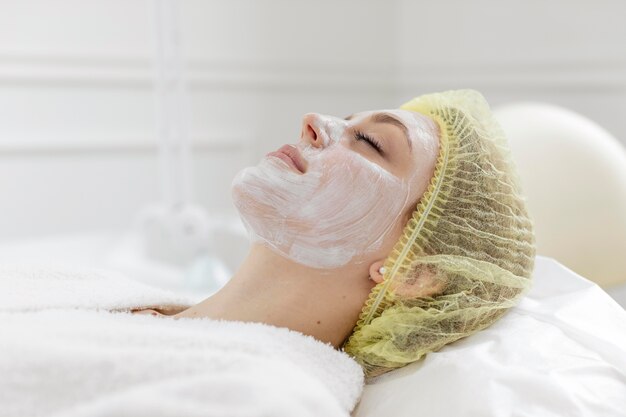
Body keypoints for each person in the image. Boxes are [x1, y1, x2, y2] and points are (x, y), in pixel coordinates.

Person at [133, 89, 536, 379]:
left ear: (412, 272)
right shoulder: (120, 301)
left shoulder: (261, 397)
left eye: (369, 141)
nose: (313, 121)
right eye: (347, 120)